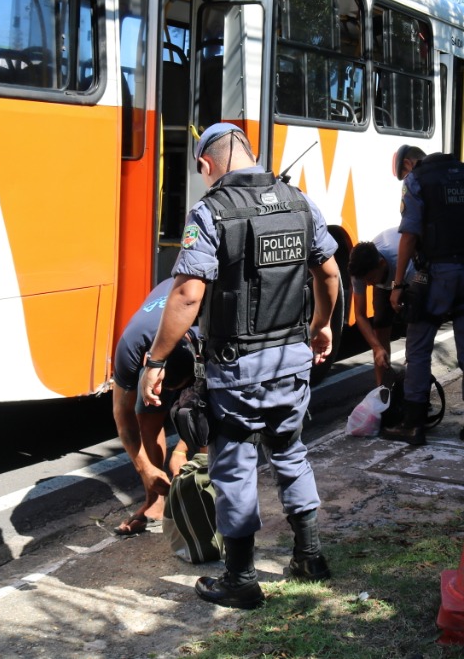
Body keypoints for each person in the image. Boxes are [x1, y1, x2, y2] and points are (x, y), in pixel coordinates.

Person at [139, 122, 340, 610]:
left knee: (235, 469)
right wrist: (322, 324)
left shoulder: (209, 212)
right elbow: (329, 271)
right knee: (291, 453)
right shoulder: (300, 202)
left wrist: (156, 360)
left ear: (207, 164)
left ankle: (241, 579)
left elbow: (188, 293)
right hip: (292, 363)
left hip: (237, 371)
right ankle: (309, 556)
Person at [383, 144, 464, 447]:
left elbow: (409, 234)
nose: (405, 177)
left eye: (403, 173)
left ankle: (413, 423)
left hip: (436, 276)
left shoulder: (417, 179)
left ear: (408, 163)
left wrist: (397, 286)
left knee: (418, 348)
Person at [110, 279, 201, 536]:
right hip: (153, 340)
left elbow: (216, 407)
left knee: (202, 422)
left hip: (195, 328)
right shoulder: (130, 345)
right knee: (146, 419)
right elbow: (122, 415)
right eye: (164, 388)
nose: (169, 395)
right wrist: (146, 469)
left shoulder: (205, 335)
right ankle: (155, 501)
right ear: (145, 364)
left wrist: (182, 450)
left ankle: (205, 499)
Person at [347, 229, 410, 387]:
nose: (368, 284)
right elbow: (360, 315)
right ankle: (383, 391)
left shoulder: (400, 259)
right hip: (386, 281)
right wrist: (377, 347)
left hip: (407, 278)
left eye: (370, 279)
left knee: (416, 332)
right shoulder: (359, 272)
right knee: (380, 329)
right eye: (365, 280)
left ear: (381, 264)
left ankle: (417, 389)